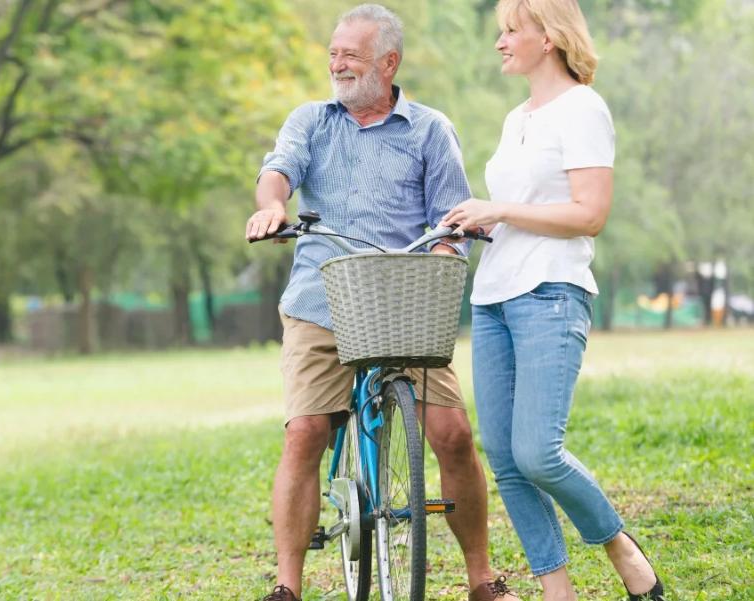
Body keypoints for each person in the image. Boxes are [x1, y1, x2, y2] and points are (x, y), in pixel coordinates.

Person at [246, 5, 519, 601]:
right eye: (333, 54)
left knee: (451, 434)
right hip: (321, 298)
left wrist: (448, 252)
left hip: (403, 304)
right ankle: (286, 586)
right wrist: (272, 205)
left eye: (351, 55)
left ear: (388, 63)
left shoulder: (430, 129)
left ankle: (482, 578)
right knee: (305, 432)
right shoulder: (311, 121)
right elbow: (278, 171)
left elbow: (451, 218)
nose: (337, 65)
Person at [441, 1, 665, 600]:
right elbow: (528, 207)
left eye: (512, 30)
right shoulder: (518, 117)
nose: (501, 42)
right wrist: (482, 223)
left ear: (550, 36)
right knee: (508, 462)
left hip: (550, 293)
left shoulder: (584, 109)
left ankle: (619, 544)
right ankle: (556, 589)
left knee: (538, 452)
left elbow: (589, 215)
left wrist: (503, 209)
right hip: (493, 297)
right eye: (501, 31)